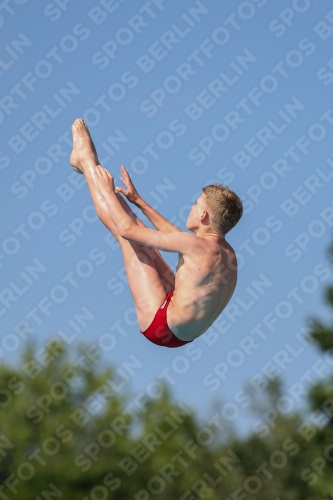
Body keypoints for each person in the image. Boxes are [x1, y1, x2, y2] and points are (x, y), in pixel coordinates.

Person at [70, 118, 243, 348]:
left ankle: (87, 161)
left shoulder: (195, 246)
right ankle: (87, 162)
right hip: (183, 327)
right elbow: (178, 239)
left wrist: (107, 191)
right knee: (141, 235)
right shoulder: (225, 253)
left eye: (196, 204)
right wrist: (138, 201)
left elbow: (127, 230)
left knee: (129, 238)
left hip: (161, 326)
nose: (191, 207)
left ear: (203, 216)